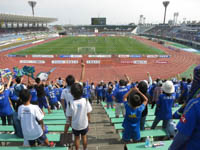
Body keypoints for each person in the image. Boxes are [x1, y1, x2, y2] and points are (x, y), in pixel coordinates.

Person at [67, 83, 92, 150]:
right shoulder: (85, 100)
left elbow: (69, 116)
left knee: (76, 138)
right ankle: (85, 148)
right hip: (84, 124)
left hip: (75, 125)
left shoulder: (70, 103)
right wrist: (89, 120)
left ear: (72, 93)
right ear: (82, 92)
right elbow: (88, 112)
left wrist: (70, 123)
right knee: (84, 137)